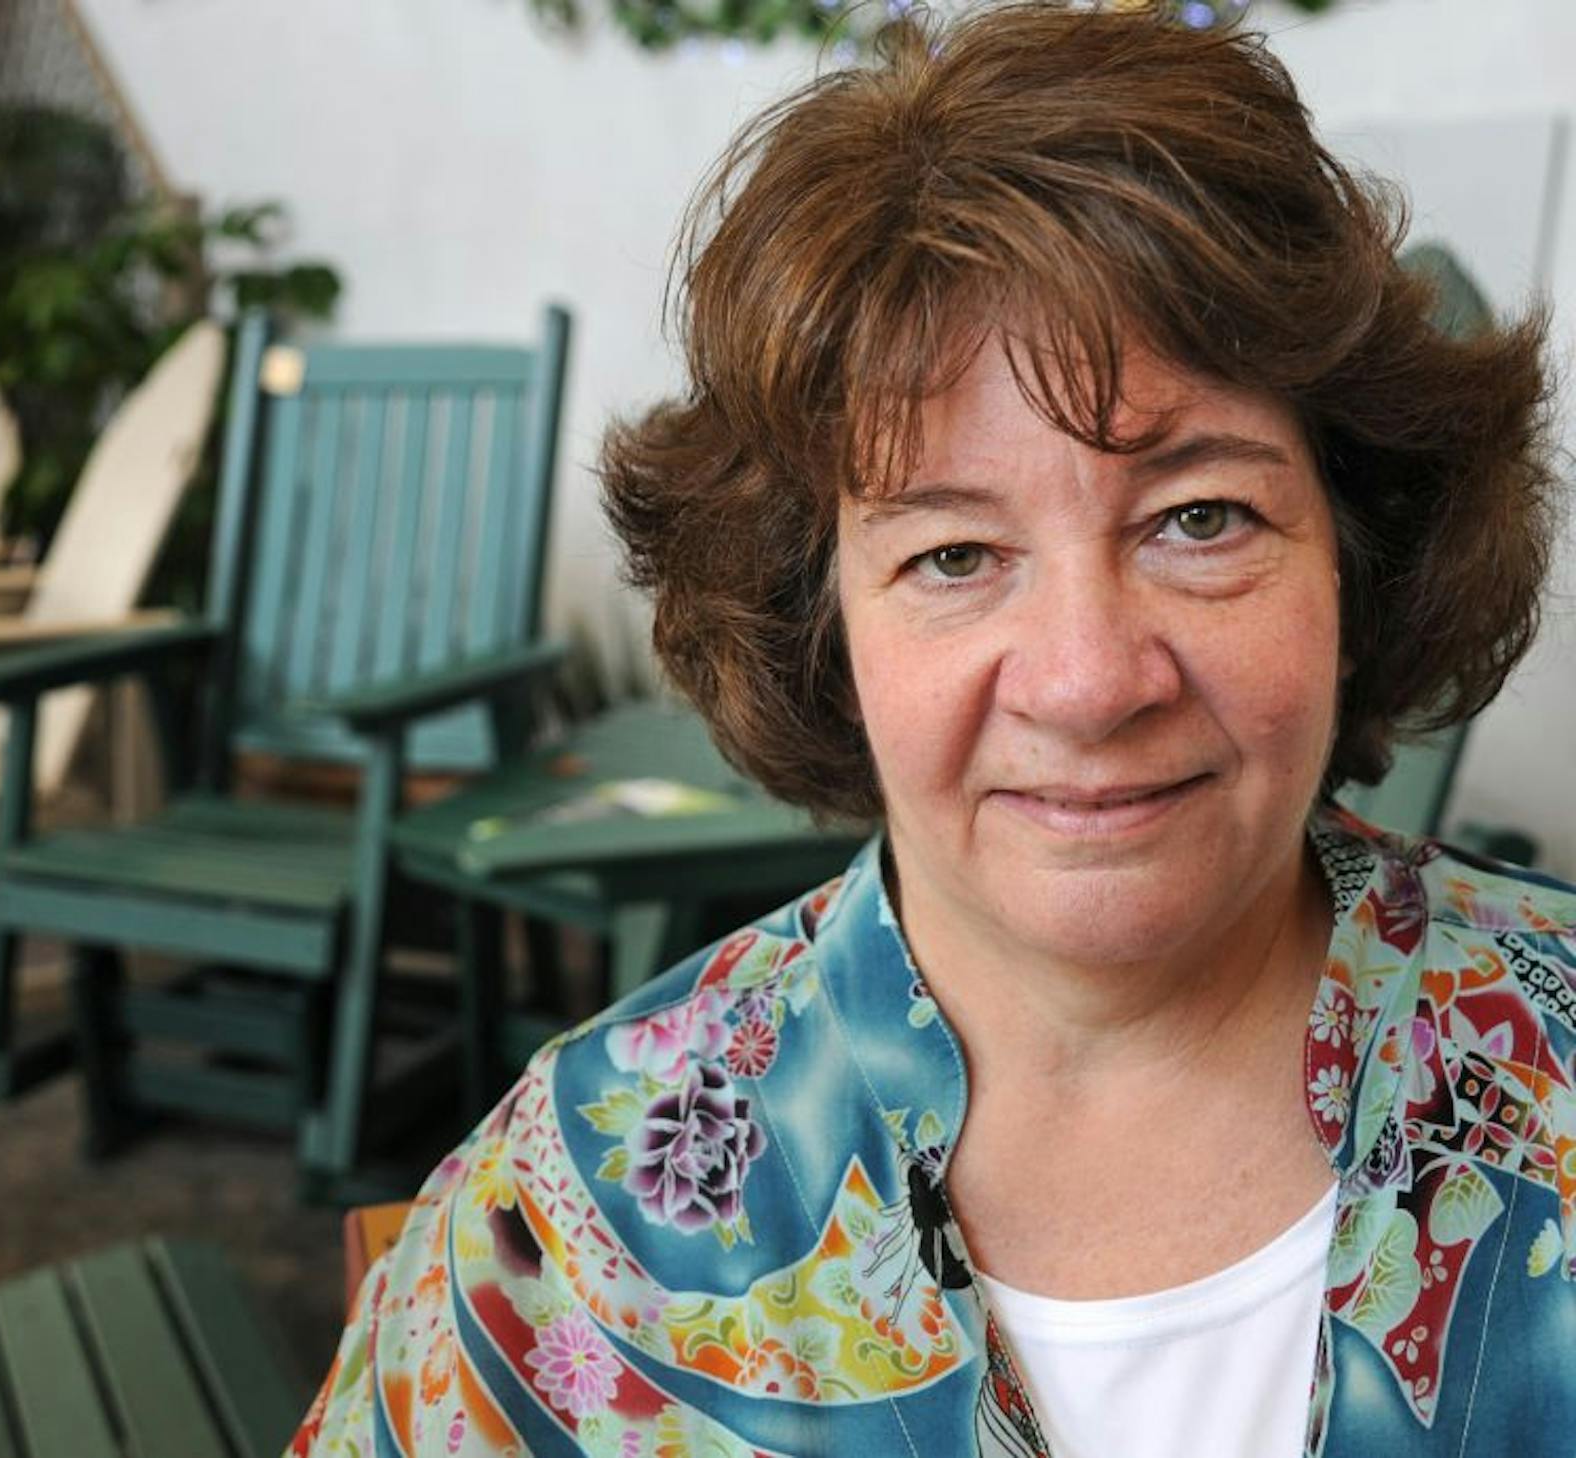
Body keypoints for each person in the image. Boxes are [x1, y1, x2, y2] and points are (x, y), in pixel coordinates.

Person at [290, 4, 1572, 1454]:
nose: (1090, 681)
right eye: (954, 555)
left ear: (1360, 551)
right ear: (824, 624)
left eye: (1200, 518)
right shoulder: (577, 1220)